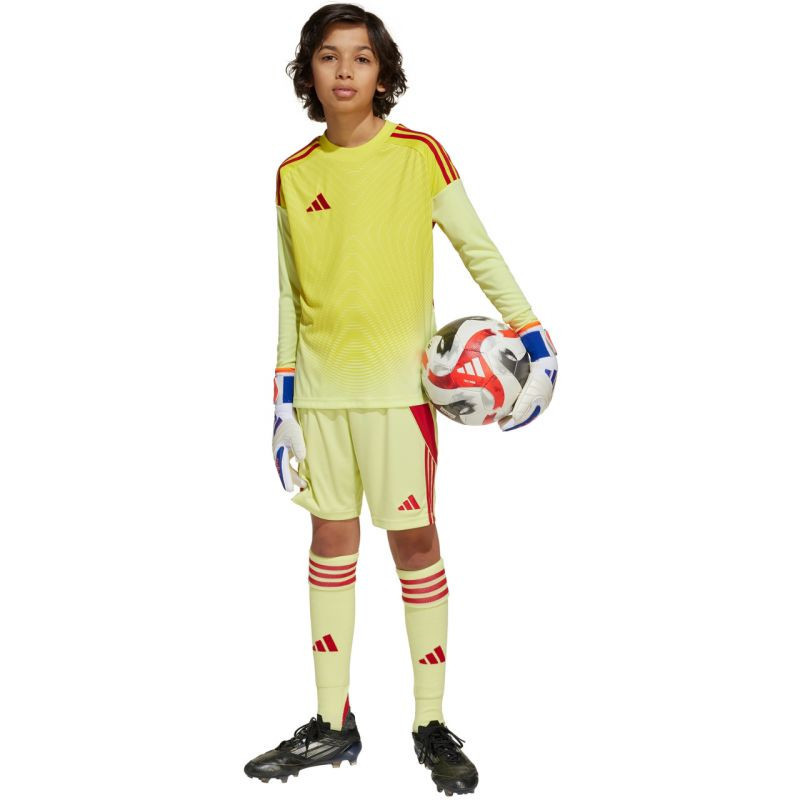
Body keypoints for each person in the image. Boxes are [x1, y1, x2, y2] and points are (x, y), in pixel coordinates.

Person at [244, 4, 558, 795]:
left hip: (399, 397)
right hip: (321, 400)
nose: (345, 70)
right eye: (328, 56)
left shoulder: (419, 155)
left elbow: (477, 246)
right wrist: (281, 400)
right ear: (308, 72)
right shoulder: (292, 174)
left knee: (415, 547)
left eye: (361, 56)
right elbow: (288, 295)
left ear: (383, 71)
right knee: (329, 545)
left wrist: (533, 334)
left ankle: (429, 722)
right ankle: (331, 722)